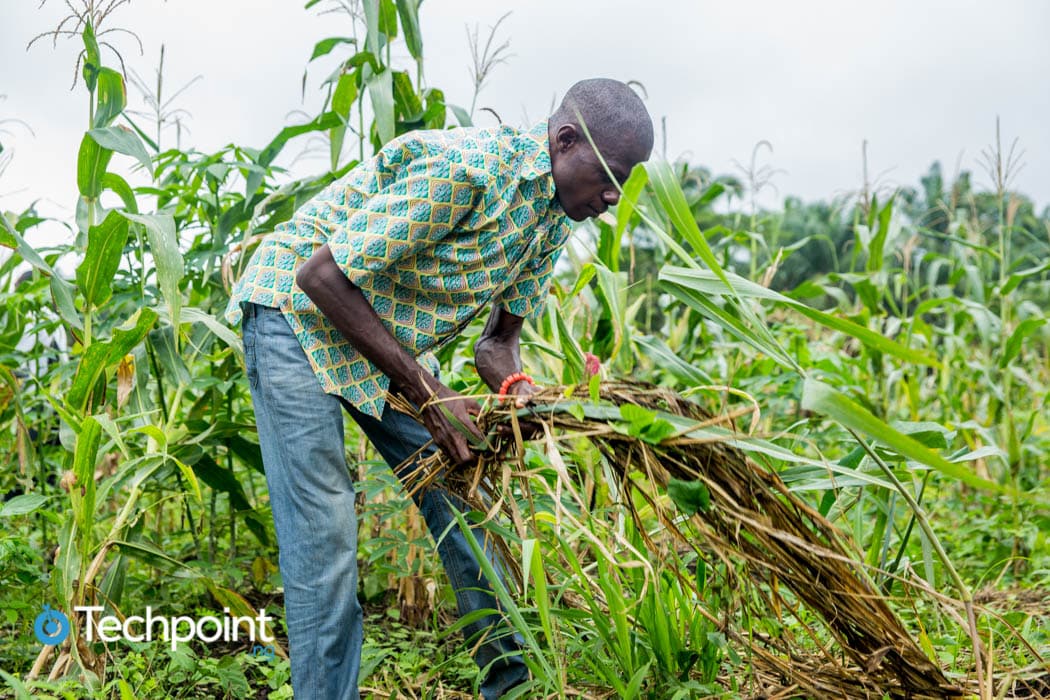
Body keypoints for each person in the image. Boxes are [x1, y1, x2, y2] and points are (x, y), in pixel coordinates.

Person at [224, 77, 653, 699]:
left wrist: (520, 392)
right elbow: (319, 274)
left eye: (627, 180)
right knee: (327, 536)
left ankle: (510, 688)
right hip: (295, 315)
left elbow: (495, 345)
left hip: (373, 335)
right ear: (564, 141)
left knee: (470, 497)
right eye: (611, 174)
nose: (614, 196)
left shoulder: (551, 223)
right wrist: (430, 395)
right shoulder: (468, 171)